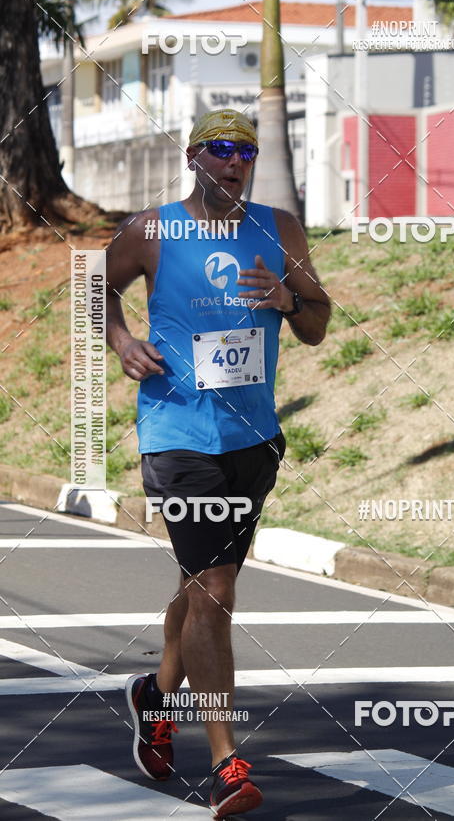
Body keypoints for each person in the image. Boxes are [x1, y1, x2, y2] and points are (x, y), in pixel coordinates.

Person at [106, 108, 330, 818]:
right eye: (221, 150)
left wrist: (289, 298)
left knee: (197, 585)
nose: (235, 162)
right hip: (176, 436)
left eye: (246, 152)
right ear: (194, 156)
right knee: (216, 591)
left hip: (253, 442)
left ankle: (154, 696)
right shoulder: (152, 230)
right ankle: (227, 761)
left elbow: (320, 326)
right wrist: (120, 339)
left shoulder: (280, 228)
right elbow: (93, 284)